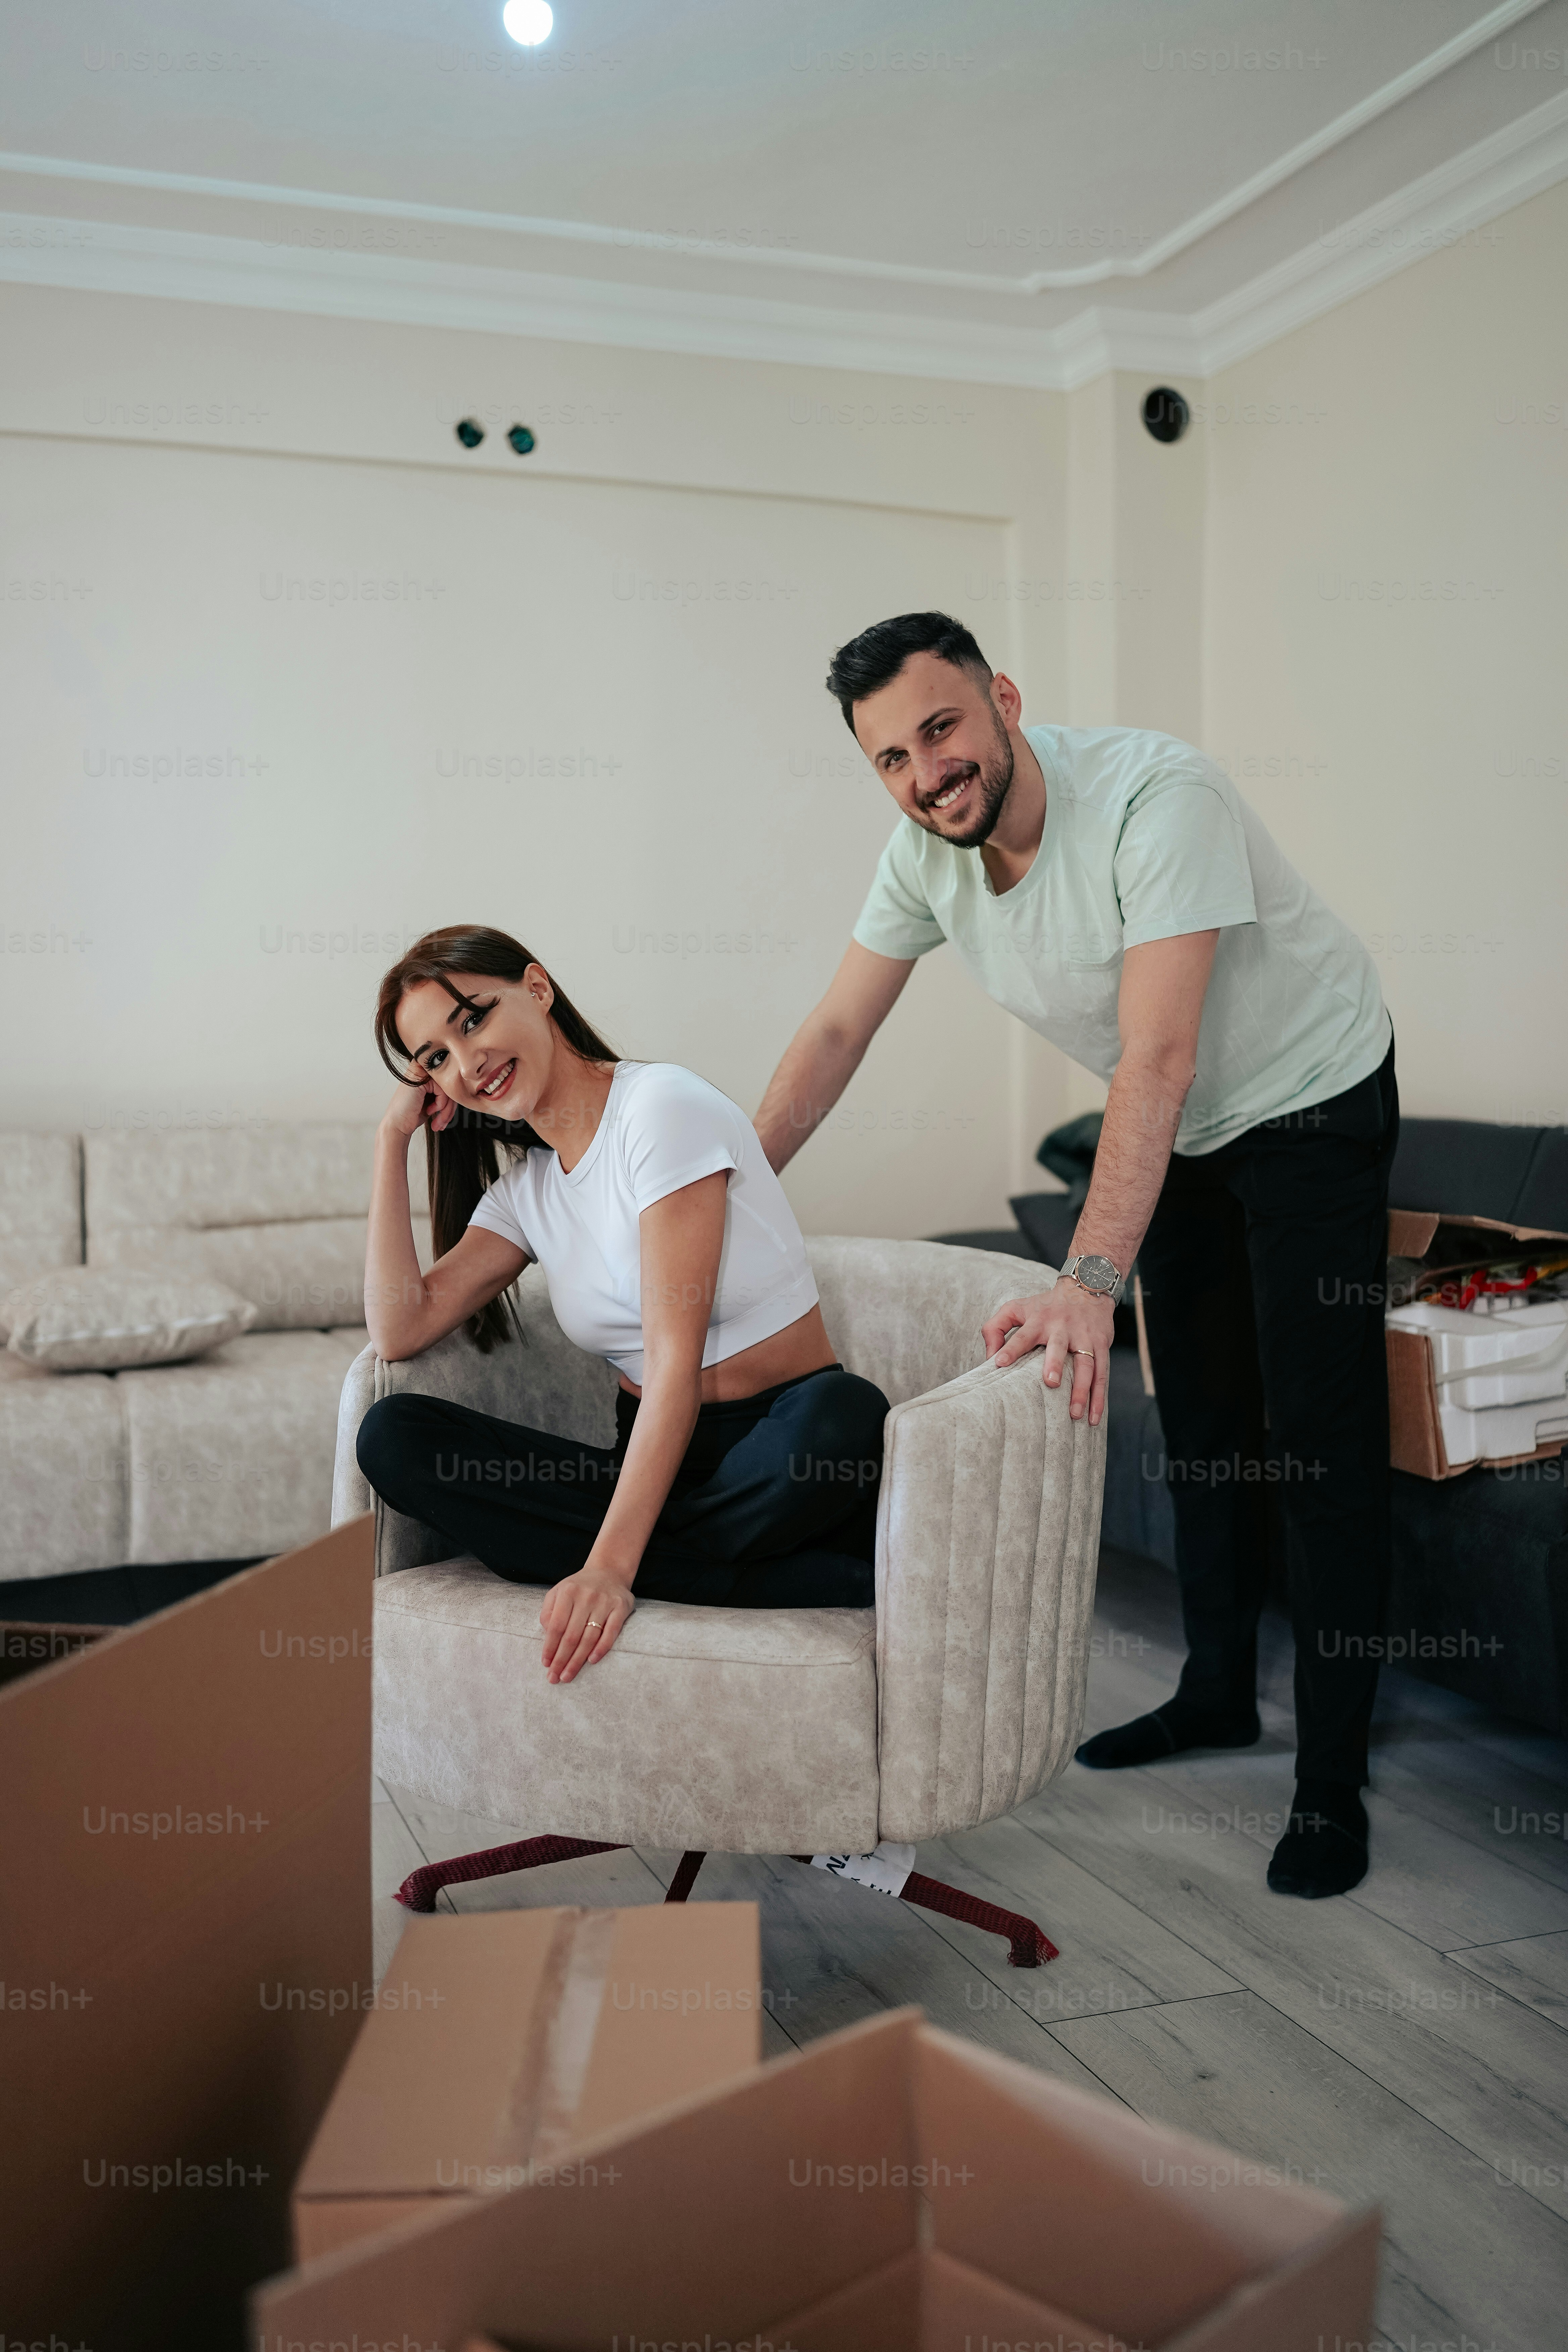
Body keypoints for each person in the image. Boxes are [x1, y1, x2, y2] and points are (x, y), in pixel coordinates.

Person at [754, 613, 1397, 1901]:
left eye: (941, 728)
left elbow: (1158, 1056)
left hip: (1310, 1092)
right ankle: (1216, 1692)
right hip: (1191, 1132)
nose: (926, 772)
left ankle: (1331, 1779)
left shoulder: (1158, 797)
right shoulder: (922, 858)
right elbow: (832, 1033)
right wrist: (719, 1200)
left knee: (1318, 1434)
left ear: (1001, 699)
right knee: (1204, 1418)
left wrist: (1089, 1281)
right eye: (890, 756)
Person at [355, 925, 888, 1687]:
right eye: (436, 1057)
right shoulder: (524, 1194)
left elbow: (674, 1360)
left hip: (781, 1447)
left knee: (845, 1418)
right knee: (394, 1436)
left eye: (474, 1017)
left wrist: (608, 1567)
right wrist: (389, 1142)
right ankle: (797, 1581)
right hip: (647, 1462)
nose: (468, 1062)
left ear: (537, 990)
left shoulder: (658, 1108)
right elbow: (399, 1329)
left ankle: (623, 1558)